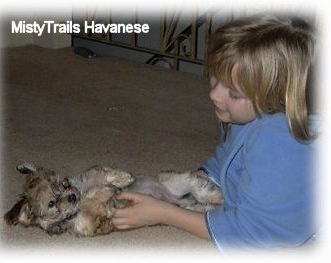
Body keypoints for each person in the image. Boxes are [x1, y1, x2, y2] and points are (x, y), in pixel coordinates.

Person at [112, 15, 319, 253]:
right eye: (215, 77)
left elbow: (252, 234)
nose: (215, 94)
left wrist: (164, 213)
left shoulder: (279, 139)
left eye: (233, 93)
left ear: (277, 97)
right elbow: (227, 160)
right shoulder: (249, 116)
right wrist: (193, 181)